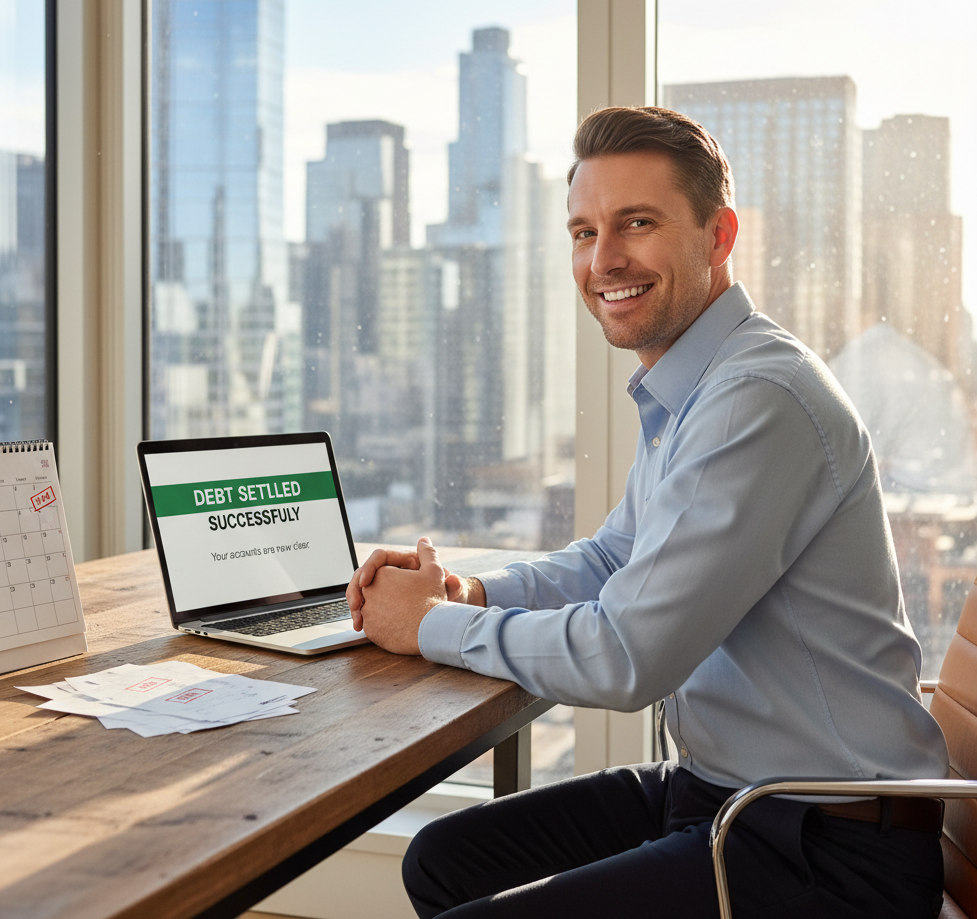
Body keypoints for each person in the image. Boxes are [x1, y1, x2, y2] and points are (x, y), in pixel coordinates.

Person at [344, 106, 950, 919]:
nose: (604, 259)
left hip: (827, 845)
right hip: (723, 792)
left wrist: (427, 627)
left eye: (637, 223)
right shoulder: (695, 383)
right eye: (584, 232)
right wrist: (470, 594)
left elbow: (627, 655)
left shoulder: (756, 397)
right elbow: (612, 560)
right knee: (445, 860)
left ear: (718, 235)